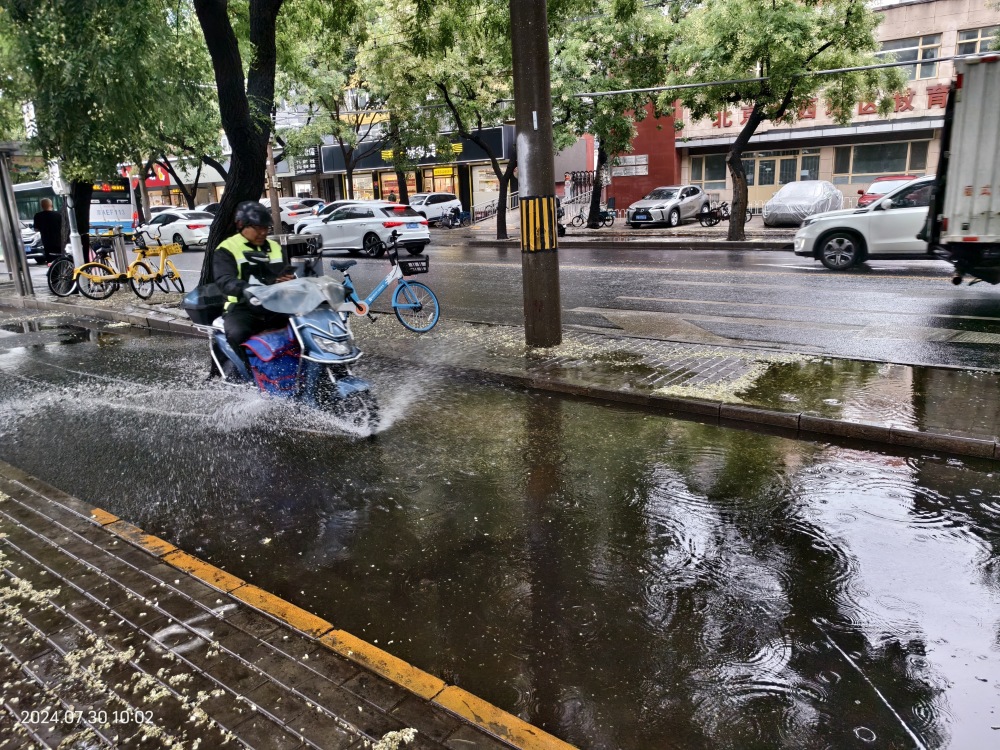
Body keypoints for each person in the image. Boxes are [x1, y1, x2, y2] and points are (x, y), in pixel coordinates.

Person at [213, 201, 295, 359]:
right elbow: (224, 280)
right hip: (241, 308)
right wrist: (246, 289)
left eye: (266, 228)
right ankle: (249, 375)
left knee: (302, 326)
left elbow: (279, 275)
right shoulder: (226, 248)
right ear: (241, 225)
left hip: (273, 305)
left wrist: (285, 279)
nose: (263, 232)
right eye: (258, 228)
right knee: (238, 333)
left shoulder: (274, 246)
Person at [32, 198, 63, 263]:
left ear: (42, 206)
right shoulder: (58, 215)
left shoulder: (38, 216)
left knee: (50, 260)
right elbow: (63, 227)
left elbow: (36, 229)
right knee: (59, 259)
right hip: (58, 241)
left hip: (46, 242)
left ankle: (52, 271)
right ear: (51, 205)